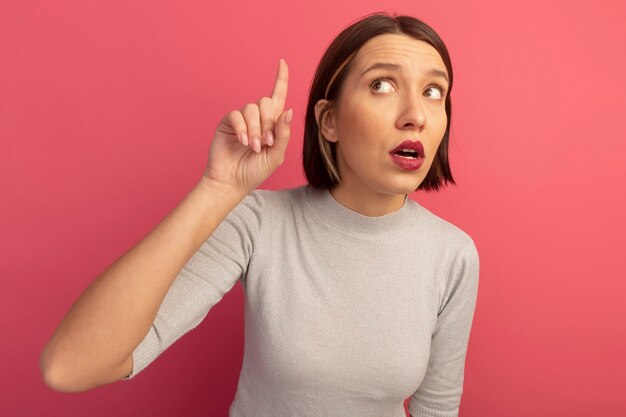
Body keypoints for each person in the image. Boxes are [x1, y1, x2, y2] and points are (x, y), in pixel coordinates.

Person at [40, 12, 479, 417]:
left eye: (433, 91)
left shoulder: (453, 255)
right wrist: (218, 190)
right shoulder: (259, 223)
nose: (416, 115)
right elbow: (70, 366)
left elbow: (436, 410)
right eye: (382, 84)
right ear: (328, 122)